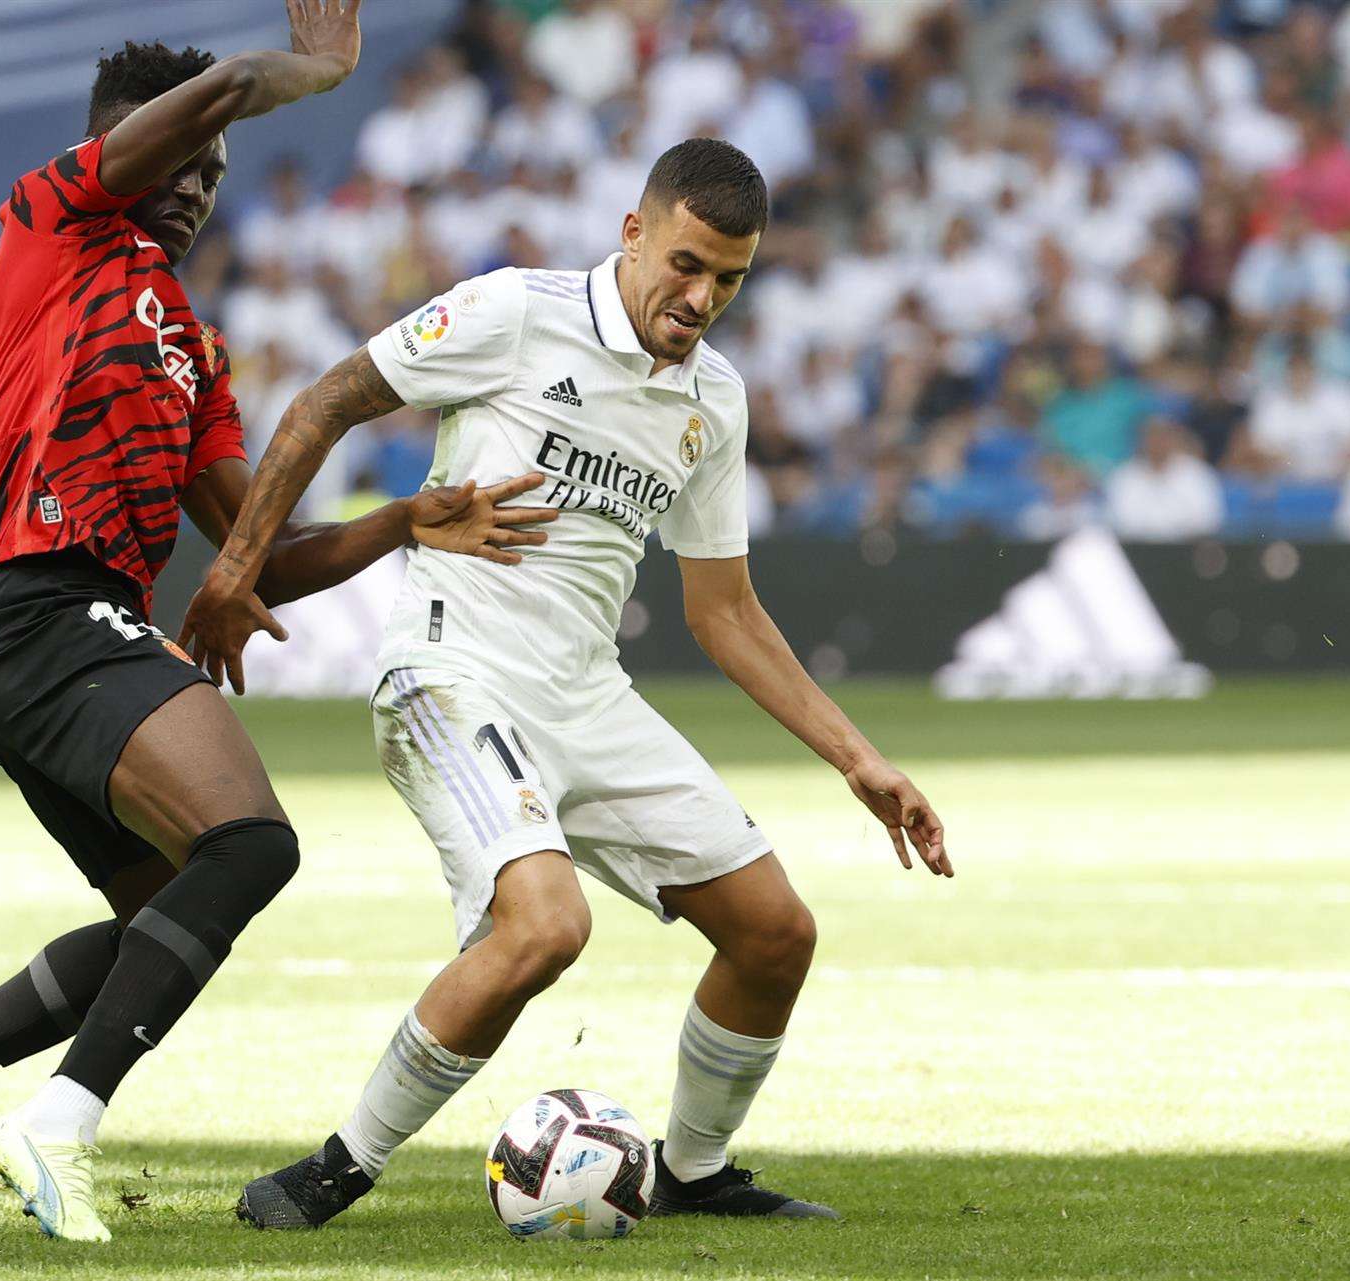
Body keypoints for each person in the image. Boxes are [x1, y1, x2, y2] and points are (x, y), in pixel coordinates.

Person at [182, 139, 952, 1230]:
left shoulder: (713, 402)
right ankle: (336, 1170)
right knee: (546, 926)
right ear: (633, 232)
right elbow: (323, 404)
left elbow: (723, 613)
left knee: (777, 933)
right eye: (687, 264)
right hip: (454, 670)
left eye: (729, 280)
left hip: (587, 695)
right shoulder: (513, 312)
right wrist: (233, 569)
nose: (701, 298)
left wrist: (860, 761)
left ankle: (692, 1171)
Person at [0, 4, 556, 1244]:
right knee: (252, 846)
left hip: (35, 641)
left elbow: (260, 554)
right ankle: (59, 1123)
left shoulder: (192, 352)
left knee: (158, 914)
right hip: (46, 612)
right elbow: (214, 97)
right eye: (184, 159)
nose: (201, 184)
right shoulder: (52, 225)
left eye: (215, 175)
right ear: (126, 149)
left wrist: (404, 522)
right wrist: (310, 73)